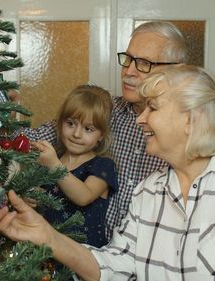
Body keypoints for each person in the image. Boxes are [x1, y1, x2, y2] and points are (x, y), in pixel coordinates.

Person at [0, 65, 215, 280]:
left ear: (192, 118)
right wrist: (49, 238)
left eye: (154, 108)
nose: (139, 118)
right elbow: (117, 267)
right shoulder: (148, 191)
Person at [20, 21, 189, 239]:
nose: (128, 71)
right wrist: (2, 113)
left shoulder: (191, 129)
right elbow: (28, 142)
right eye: (128, 59)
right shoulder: (103, 109)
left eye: (144, 63)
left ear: (177, 70)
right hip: (90, 256)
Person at [32, 85, 118, 248]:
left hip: (85, 255)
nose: (77, 134)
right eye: (71, 124)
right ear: (60, 123)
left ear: (101, 136)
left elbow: (83, 197)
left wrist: (54, 165)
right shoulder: (51, 160)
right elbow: (41, 197)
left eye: (88, 129)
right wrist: (32, 198)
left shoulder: (103, 165)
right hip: (47, 251)